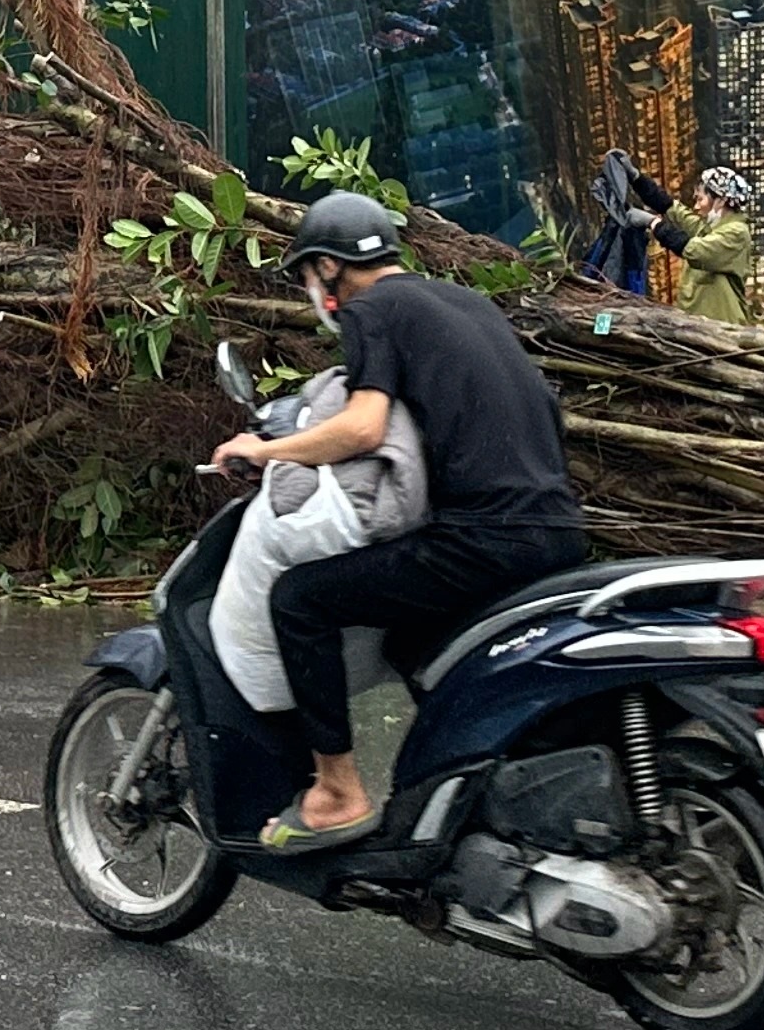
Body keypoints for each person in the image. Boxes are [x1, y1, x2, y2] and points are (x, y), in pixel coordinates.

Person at [211, 191, 586, 850]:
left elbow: (362, 428)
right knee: (416, 642)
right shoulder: (467, 303)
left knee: (301, 600)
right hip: (557, 533)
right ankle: (463, 788)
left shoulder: (371, 309)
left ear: (328, 270)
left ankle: (336, 793)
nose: (310, 291)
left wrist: (263, 450)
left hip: (486, 539)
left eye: (305, 274)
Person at [640, 165, 763, 326]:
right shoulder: (712, 227)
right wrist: (637, 180)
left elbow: (694, 250)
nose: (696, 206)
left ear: (720, 200)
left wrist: (655, 223)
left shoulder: (736, 233)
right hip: (697, 322)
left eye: (700, 199)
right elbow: (675, 211)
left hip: (721, 327)